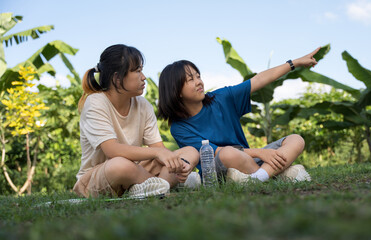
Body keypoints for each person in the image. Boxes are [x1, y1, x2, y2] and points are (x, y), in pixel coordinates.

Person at [158, 47, 321, 183]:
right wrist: (260, 152)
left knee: (296, 139)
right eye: (190, 79)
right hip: (220, 168)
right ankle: (276, 174)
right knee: (229, 152)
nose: (199, 82)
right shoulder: (179, 127)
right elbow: (214, 152)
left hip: (249, 160)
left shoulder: (221, 98)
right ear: (176, 90)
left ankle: (259, 177)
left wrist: (295, 63)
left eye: (198, 76)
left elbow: (259, 80)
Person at [73, 44, 200, 198]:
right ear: (117, 78)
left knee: (190, 152)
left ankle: (154, 188)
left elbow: (158, 148)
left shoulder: (143, 104)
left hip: (137, 171)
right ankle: (164, 186)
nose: (144, 77)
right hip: (101, 177)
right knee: (120, 165)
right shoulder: (95, 102)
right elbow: (112, 150)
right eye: (138, 71)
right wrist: (160, 154)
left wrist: (176, 164)